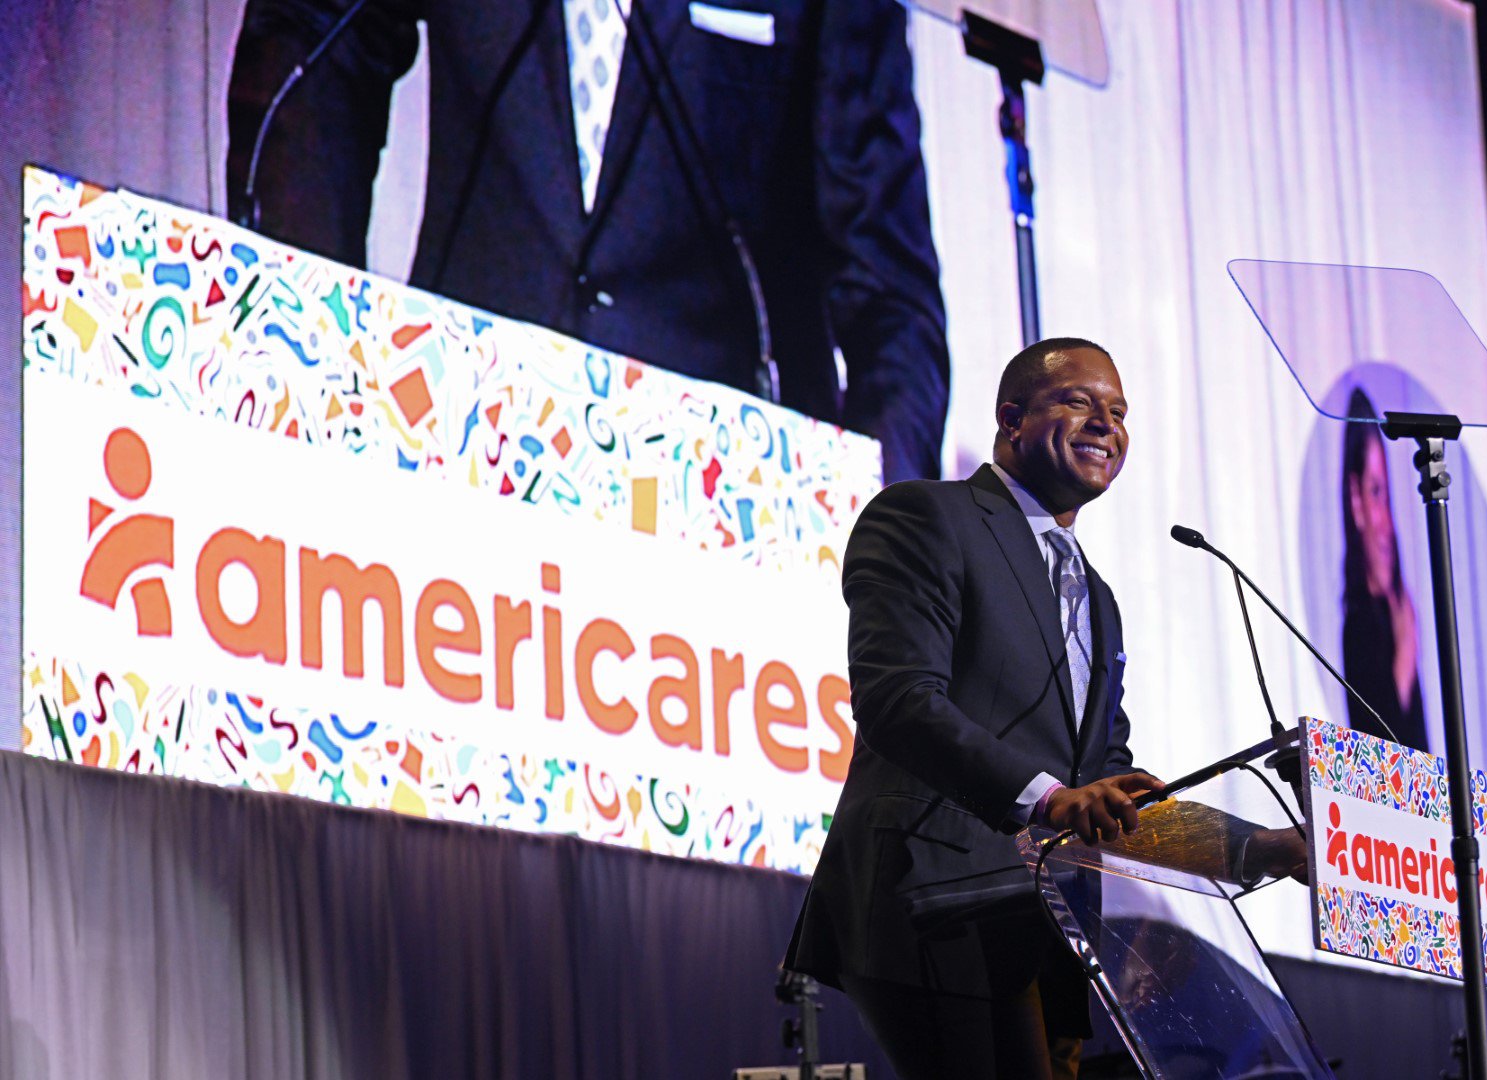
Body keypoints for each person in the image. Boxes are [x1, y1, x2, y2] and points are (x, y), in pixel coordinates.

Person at [224, 0, 949, 483]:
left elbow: (892, 294)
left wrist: (886, 537)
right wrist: (310, 357)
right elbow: (309, 49)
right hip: (458, 468)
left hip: (733, 526)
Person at [786, 337, 1163, 1079]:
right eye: (1079, 401)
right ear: (1010, 418)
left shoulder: (1099, 597)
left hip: (1037, 927)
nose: (1105, 424)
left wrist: (1257, 849)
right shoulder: (926, 515)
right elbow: (897, 699)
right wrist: (1051, 800)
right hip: (929, 895)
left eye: (1118, 411)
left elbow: (1106, 776)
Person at [1340, 387, 1426, 750]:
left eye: (1387, 494)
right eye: (1375, 492)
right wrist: (1406, 646)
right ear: (1355, 498)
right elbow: (1390, 747)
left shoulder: (1393, 607)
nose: (1388, 522)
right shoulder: (1360, 625)